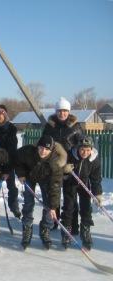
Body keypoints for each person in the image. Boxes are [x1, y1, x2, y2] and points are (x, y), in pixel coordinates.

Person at [14, 135, 67, 249]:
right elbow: (16, 160)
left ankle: (45, 229)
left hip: (46, 179)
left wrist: (53, 207)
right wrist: (21, 173)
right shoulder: (28, 151)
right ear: (37, 146)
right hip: (29, 176)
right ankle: (27, 229)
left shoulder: (55, 163)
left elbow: (56, 186)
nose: (43, 151)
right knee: (28, 202)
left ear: (51, 150)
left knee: (50, 206)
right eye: (41, 148)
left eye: (47, 149)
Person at [42, 97, 83, 233]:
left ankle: (72, 225)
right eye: (60, 111)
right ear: (56, 111)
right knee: (53, 195)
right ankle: (54, 221)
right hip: (54, 166)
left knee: (70, 197)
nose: (62, 113)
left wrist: (73, 163)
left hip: (70, 166)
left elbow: (81, 146)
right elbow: (44, 143)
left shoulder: (75, 126)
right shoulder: (50, 126)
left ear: (68, 112)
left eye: (65, 111)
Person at [61, 136, 102, 250]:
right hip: (70, 183)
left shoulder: (95, 160)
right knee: (69, 207)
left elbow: (96, 179)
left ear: (92, 149)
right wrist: (65, 170)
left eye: (88, 150)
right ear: (78, 148)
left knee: (86, 208)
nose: (85, 152)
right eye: (82, 149)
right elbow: (59, 167)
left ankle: (85, 231)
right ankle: (67, 231)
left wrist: (97, 194)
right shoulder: (70, 155)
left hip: (84, 185)